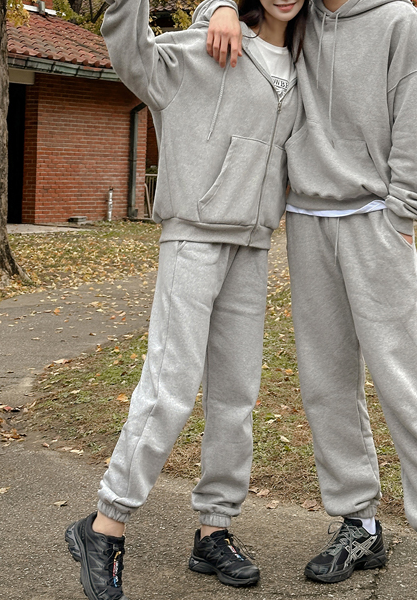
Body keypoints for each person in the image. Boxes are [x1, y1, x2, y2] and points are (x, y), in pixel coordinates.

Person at [203, 1, 417, 598]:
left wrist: (403, 211)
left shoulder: (399, 22)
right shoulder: (294, 16)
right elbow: (216, 23)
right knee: (325, 384)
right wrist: (218, 5)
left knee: (405, 380)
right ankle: (359, 525)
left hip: (377, 220)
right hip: (307, 219)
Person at [64, 0, 306, 597]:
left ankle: (213, 531)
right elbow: (132, 54)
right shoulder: (205, 45)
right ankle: (106, 524)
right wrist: (216, 8)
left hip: (253, 245)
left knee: (236, 396)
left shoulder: (306, 60)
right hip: (193, 239)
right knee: (169, 385)